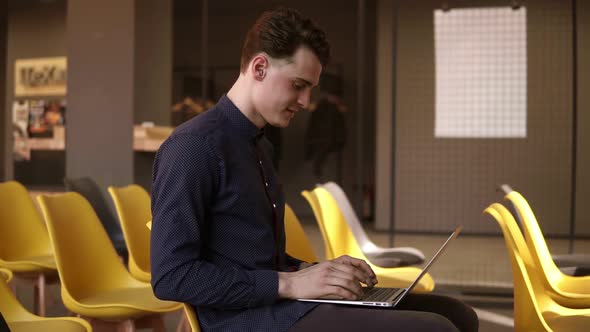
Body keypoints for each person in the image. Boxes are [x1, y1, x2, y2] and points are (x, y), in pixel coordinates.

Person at [150, 7, 478, 332]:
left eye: (310, 88)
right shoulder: (192, 147)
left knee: (458, 314)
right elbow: (172, 277)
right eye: (298, 85)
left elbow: (258, 258)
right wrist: (290, 284)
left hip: (282, 303)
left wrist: (320, 272)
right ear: (259, 67)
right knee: (435, 328)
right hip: (245, 318)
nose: (306, 101)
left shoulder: (260, 146)